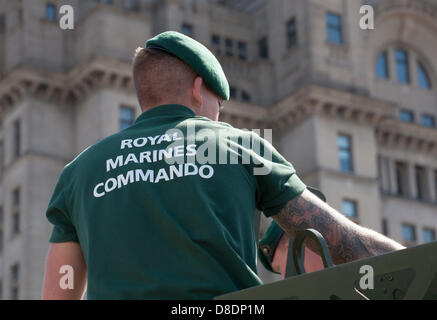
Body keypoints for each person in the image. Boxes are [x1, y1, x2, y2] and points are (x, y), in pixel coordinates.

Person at [42, 31, 405, 300]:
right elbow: (345, 242)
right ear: (199, 90)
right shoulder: (239, 146)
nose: (218, 115)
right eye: (219, 102)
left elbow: (60, 292)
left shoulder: (79, 172)